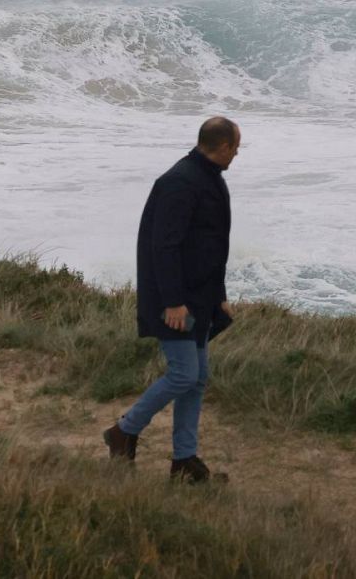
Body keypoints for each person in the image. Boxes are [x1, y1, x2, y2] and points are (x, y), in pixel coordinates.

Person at [102, 116, 240, 483]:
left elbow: (211, 247)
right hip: (176, 302)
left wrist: (219, 297)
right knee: (183, 375)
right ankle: (123, 432)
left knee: (196, 378)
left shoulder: (209, 180)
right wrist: (173, 302)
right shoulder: (179, 183)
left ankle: (184, 461)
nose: (237, 154)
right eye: (236, 148)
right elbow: (164, 248)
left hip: (199, 298)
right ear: (223, 146)